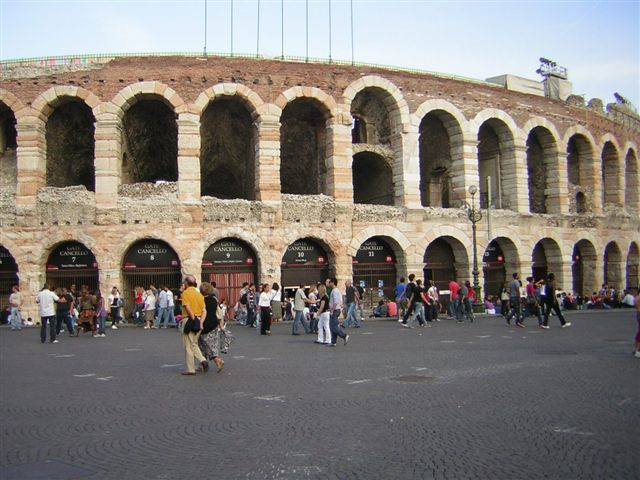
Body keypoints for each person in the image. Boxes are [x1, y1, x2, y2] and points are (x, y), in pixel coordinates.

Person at [180, 275, 208, 376]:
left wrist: (192, 318)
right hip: (199, 320)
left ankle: (190, 369)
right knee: (194, 343)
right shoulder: (199, 295)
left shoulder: (185, 293)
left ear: (186, 283)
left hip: (189, 320)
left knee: (188, 346)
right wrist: (200, 322)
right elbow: (204, 311)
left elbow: (187, 307)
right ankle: (203, 360)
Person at [198, 282, 225, 372]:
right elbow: (218, 312)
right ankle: (204, 364)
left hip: (203, 324)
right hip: (213, 324)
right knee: (211, 344)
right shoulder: (214, 299)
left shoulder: (200, 300)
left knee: (202, 345)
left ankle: (215, 361)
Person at [328, 277, 349, 346]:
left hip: (335, 310)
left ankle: (344, 335)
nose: (329, 283)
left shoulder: (335, 291)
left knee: (333, 327)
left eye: (330, 282)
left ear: (333, 283)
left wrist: (332, 310)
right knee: (333, 326)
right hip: (336, 309)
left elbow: (336, 301)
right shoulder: (335, 290)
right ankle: (333, 342)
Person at [634, 292, 640, 358]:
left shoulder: (637, 297)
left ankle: (636, 349)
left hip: (638, 314)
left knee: (639, 332)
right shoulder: (639, 297)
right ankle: (637, 350)